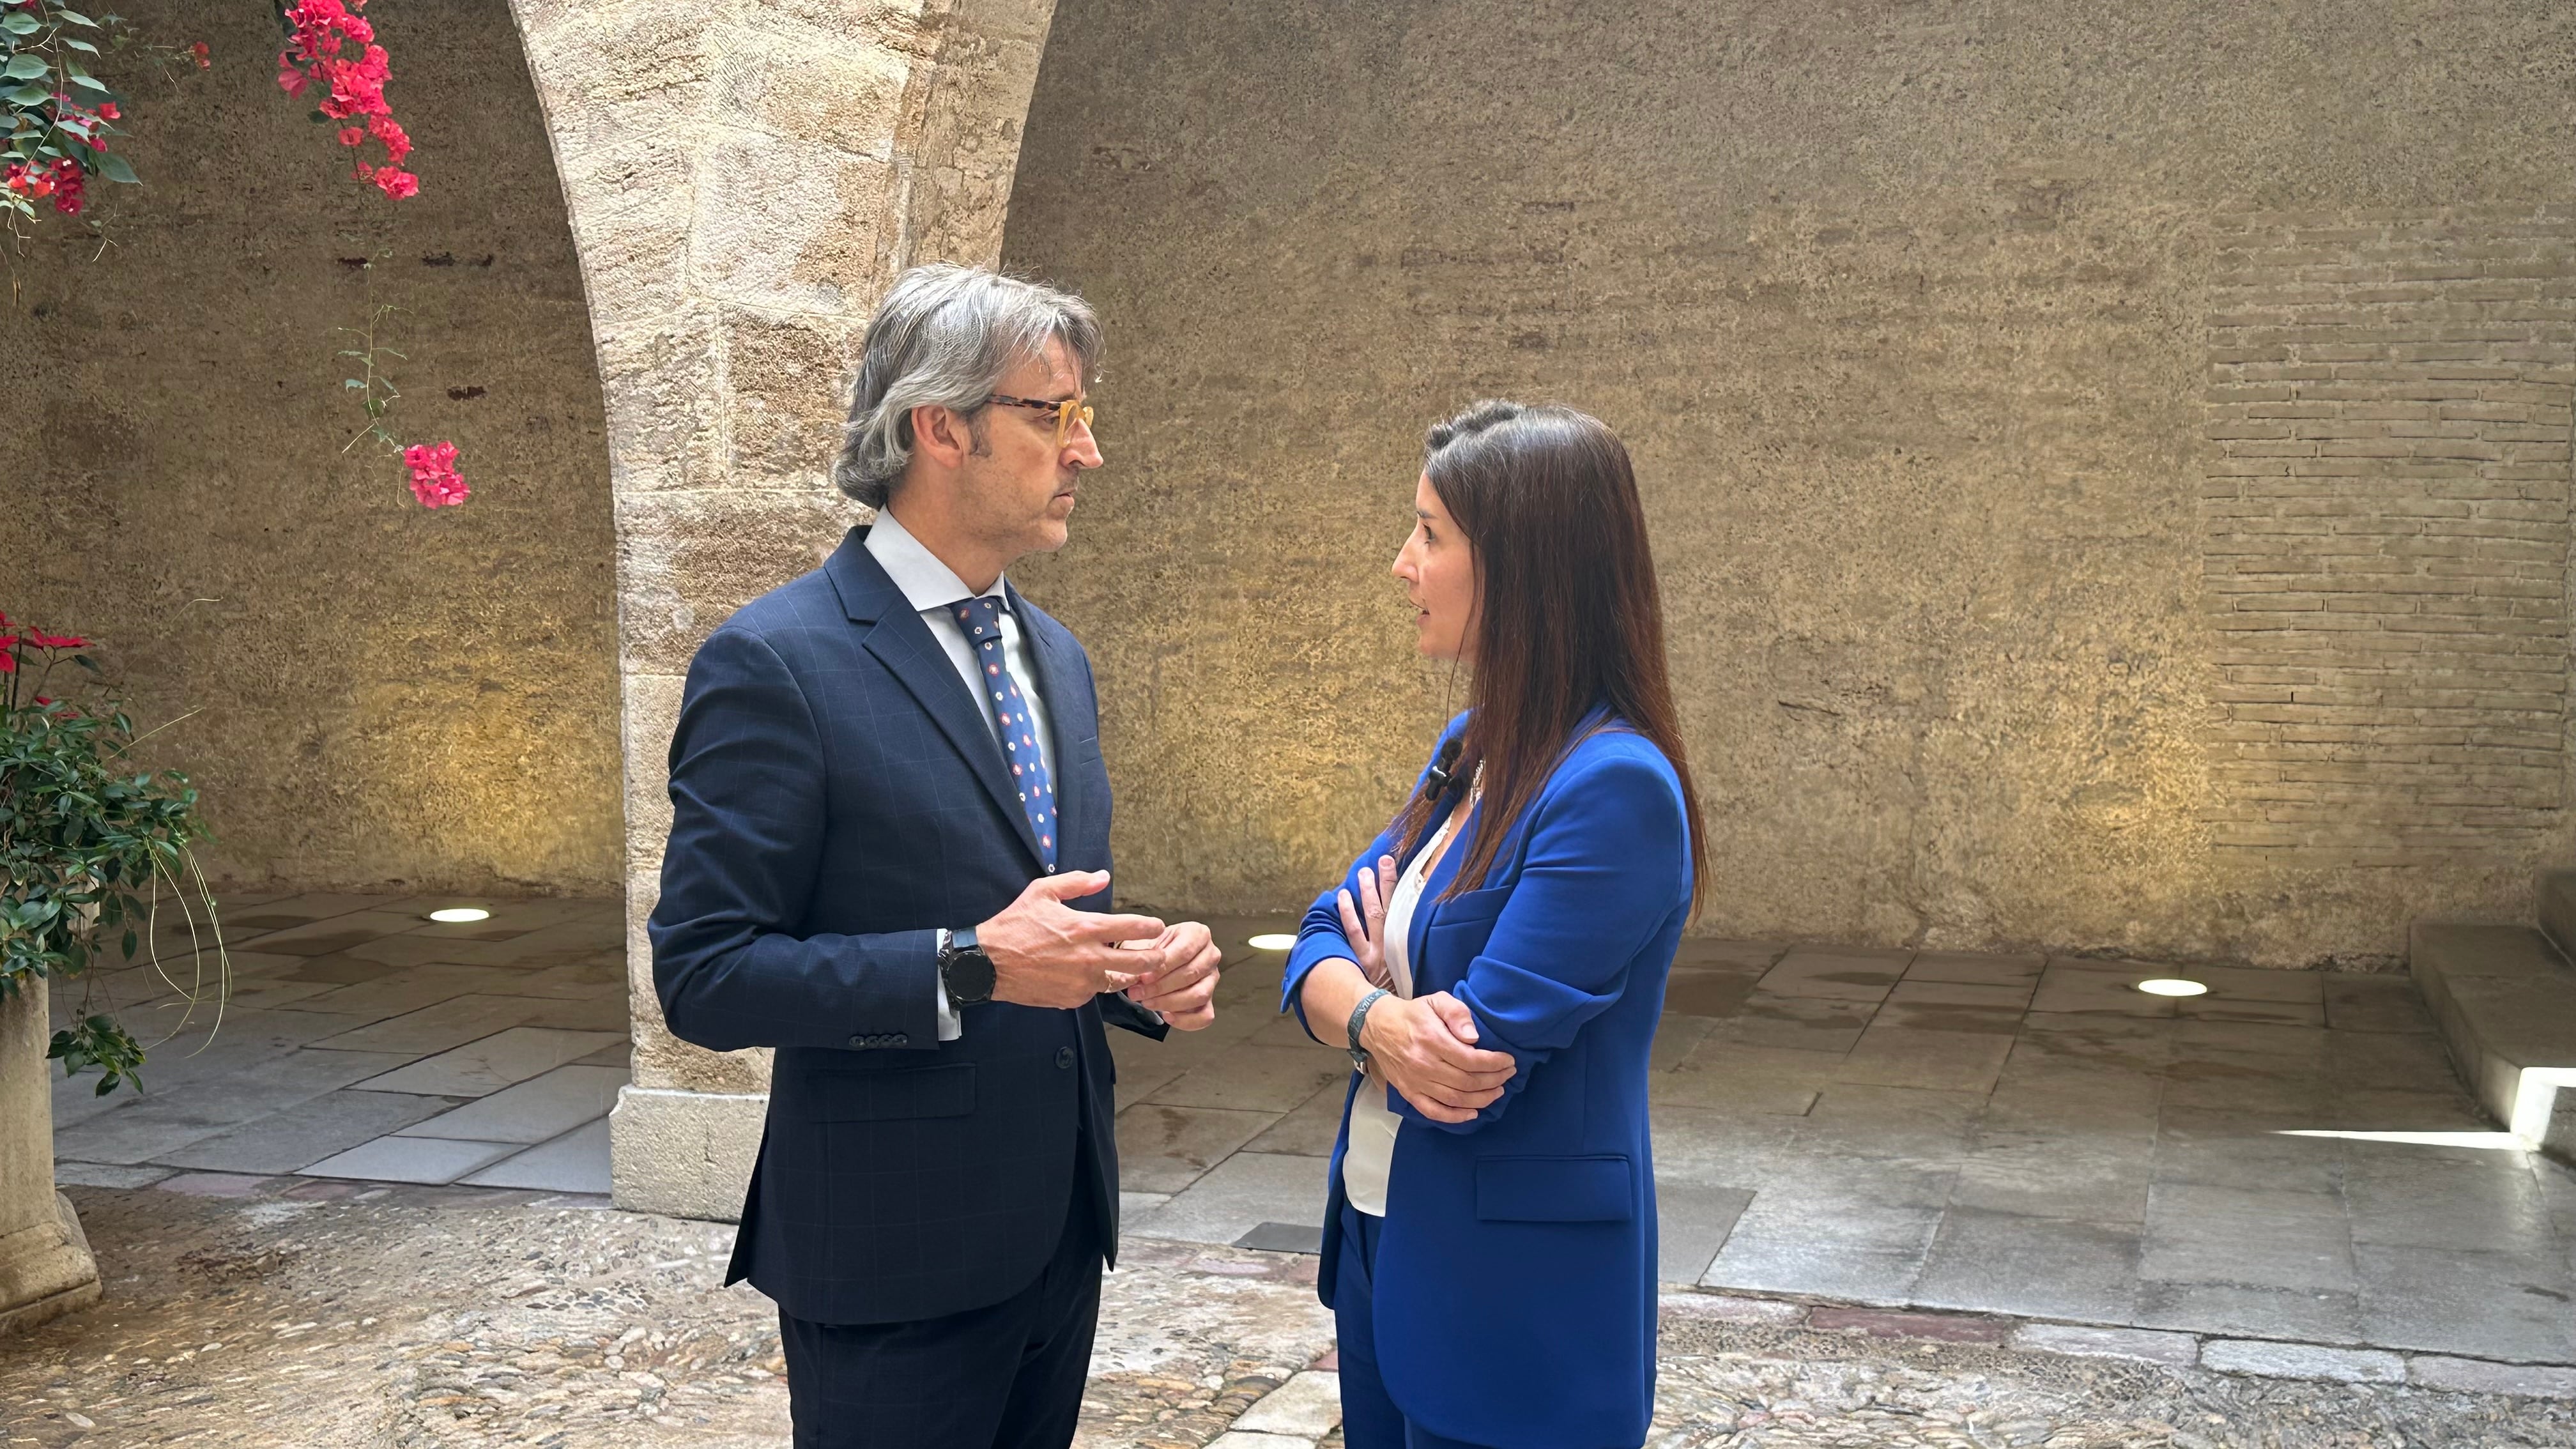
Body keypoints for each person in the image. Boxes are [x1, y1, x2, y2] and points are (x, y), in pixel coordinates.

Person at [648, 264, 1225, 1449]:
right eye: (1053, 413)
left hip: (1060, 1234)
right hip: (889, 1259)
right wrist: (968, 964)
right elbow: (704, 977)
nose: (1086, 451)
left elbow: (1039, 916)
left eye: (1087, 417)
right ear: (939, 425)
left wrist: (1138, 965)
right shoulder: (777, 663)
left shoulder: (1054, 656)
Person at [1281, 401, 1709, 1449]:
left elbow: (1469, 1068)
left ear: (1524, 567)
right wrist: (1380, 1018)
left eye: (1429, 535)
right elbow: (1310, 941)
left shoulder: (1615, 789)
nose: (1401, 563)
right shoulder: (1472, 745)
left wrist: (1368, 997)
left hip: (1517, 1305)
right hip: (1387, 1245)